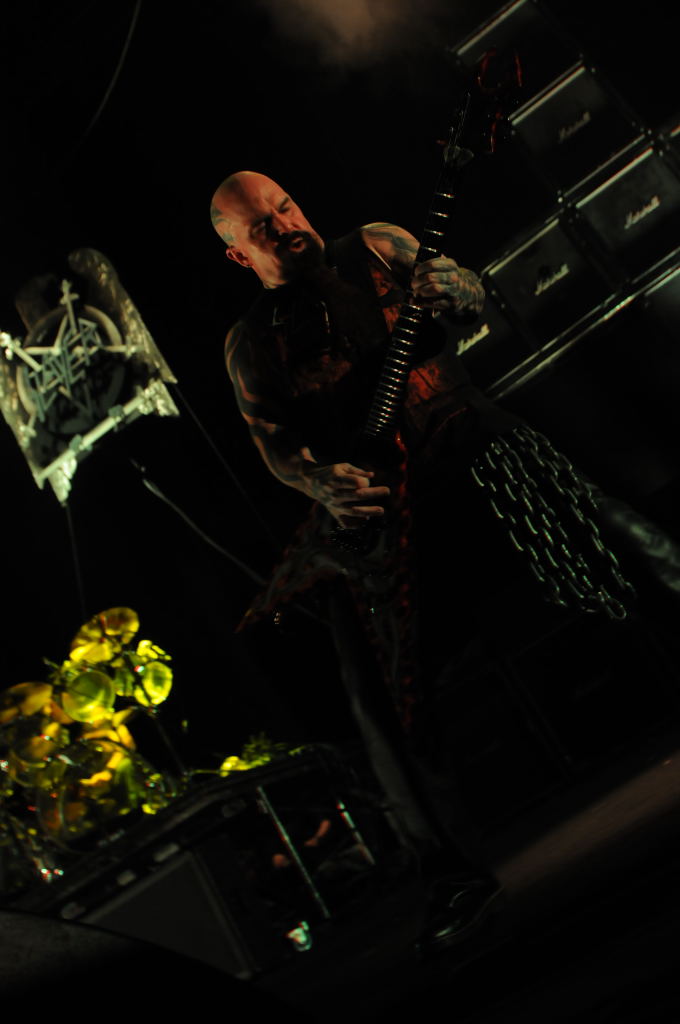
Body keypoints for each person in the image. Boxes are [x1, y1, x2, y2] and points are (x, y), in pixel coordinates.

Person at [208, 169, 647, 955]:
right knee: (375, 689)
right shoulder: (250, 342)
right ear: (240, 256)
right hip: (382, 511)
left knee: (617, 537)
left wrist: (461, 287)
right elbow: (272, 442)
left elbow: (465, 295)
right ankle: (449, 876)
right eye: (262, 227)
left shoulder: (377, 245)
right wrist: (317, 479)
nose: (285, 225)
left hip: (465, 443)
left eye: (285, 206)